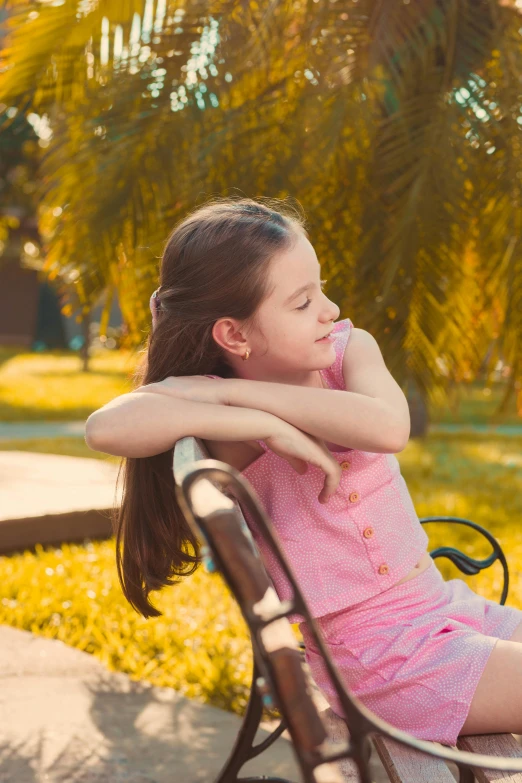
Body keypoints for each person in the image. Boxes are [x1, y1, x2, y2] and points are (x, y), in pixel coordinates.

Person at [85, 195, 522, 747]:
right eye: (302, 302)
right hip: (383, 664)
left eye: (321, 288)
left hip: (445, 609)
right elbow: (104, 429)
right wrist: (259, 425)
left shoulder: (346, 353)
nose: (331, 310)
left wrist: (238, 396)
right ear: (235, 335)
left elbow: (388, 426)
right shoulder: (232, 430)